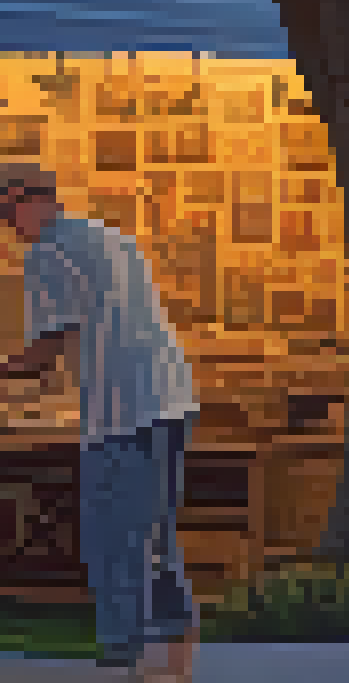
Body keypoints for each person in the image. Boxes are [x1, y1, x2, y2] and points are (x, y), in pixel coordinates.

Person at [0, 164, 200, 683]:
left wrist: (5, 368)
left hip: (123, 409)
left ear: (25, 200)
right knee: (156, 529)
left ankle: (123, 657)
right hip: (172, 396)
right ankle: (175, 650)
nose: (7, 226)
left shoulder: (46, 250)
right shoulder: (108, 236)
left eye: (4, 211)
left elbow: (46, 352)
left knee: (112, 537)